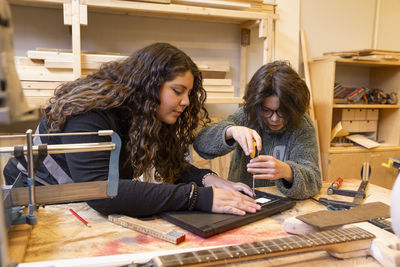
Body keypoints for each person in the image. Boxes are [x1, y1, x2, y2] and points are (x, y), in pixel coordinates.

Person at [4, 42, 261, 217]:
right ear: (150, 85)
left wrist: (207, 180)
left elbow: (169, 164)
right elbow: (103, 192)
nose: (186, 102)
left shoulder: (146, 113)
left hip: (78, 199)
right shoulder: (91, 114)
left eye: (189, 94)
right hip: (37, 200)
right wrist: (199, 198)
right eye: (177, 91)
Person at [194, 60, 321, 199]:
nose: (274, 119)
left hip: (283, 203)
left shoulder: (302, 124)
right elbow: (201, 144)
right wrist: (230, 131)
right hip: (242, 199)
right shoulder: (247, 115)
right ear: (257, 105)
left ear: (294, 108)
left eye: (283, 111)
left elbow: (313, 181)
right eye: (267, 110)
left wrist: (287, 171)